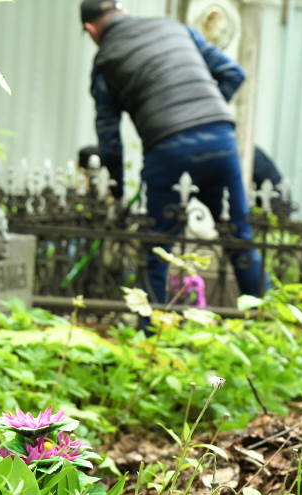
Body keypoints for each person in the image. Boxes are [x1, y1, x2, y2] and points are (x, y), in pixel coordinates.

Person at [80, 0, 266, 305]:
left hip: (167, 148)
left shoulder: (105, 61)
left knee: (158, 245)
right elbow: (233, 73)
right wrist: (204, 111)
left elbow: (109, 137)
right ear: (122, 11)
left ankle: (148, 331)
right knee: (239, 237)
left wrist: (117, 188)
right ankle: (265, 321)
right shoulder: (175, 28)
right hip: (219, 139)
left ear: (91, 29)